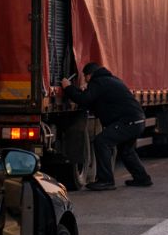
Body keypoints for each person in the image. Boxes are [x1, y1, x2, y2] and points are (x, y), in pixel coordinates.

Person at [62, 62, 152, 191]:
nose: (85, 80)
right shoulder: (109, 80)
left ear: (89, 75)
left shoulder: (98, 82)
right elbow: (92, 100)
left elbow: (84, 100)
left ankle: (106, 180)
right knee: (126, 150)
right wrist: (83, 91)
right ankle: (142, 178)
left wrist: (68, 88)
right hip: (137, 120)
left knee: (102, 141)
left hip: (128, 122)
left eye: (85, 77)